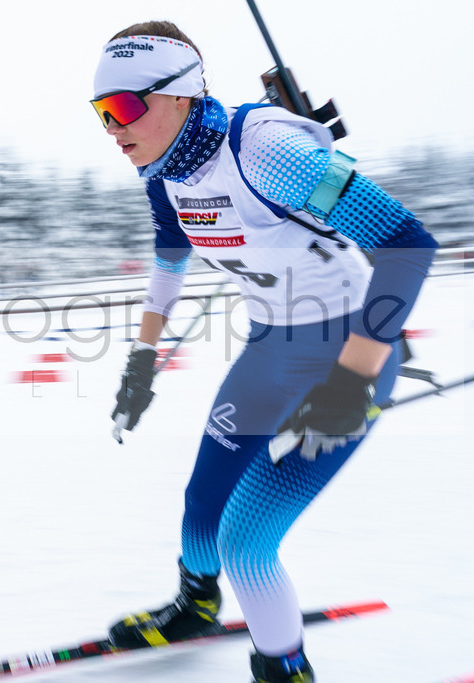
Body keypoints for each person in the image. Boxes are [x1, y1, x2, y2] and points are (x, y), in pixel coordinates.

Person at [91, 20, 437, 683]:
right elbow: (170, 258)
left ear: (183, 95)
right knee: (202, 505)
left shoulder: (269, 152)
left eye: (127, 105)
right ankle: (195, 604)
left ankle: (284, 669)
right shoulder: (163, 169)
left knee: (246, 543)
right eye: (102, 112)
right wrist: (141, 364)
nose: (114, 127)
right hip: (270, 347)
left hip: (348, 352)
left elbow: (406, 244)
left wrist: (352, 381)